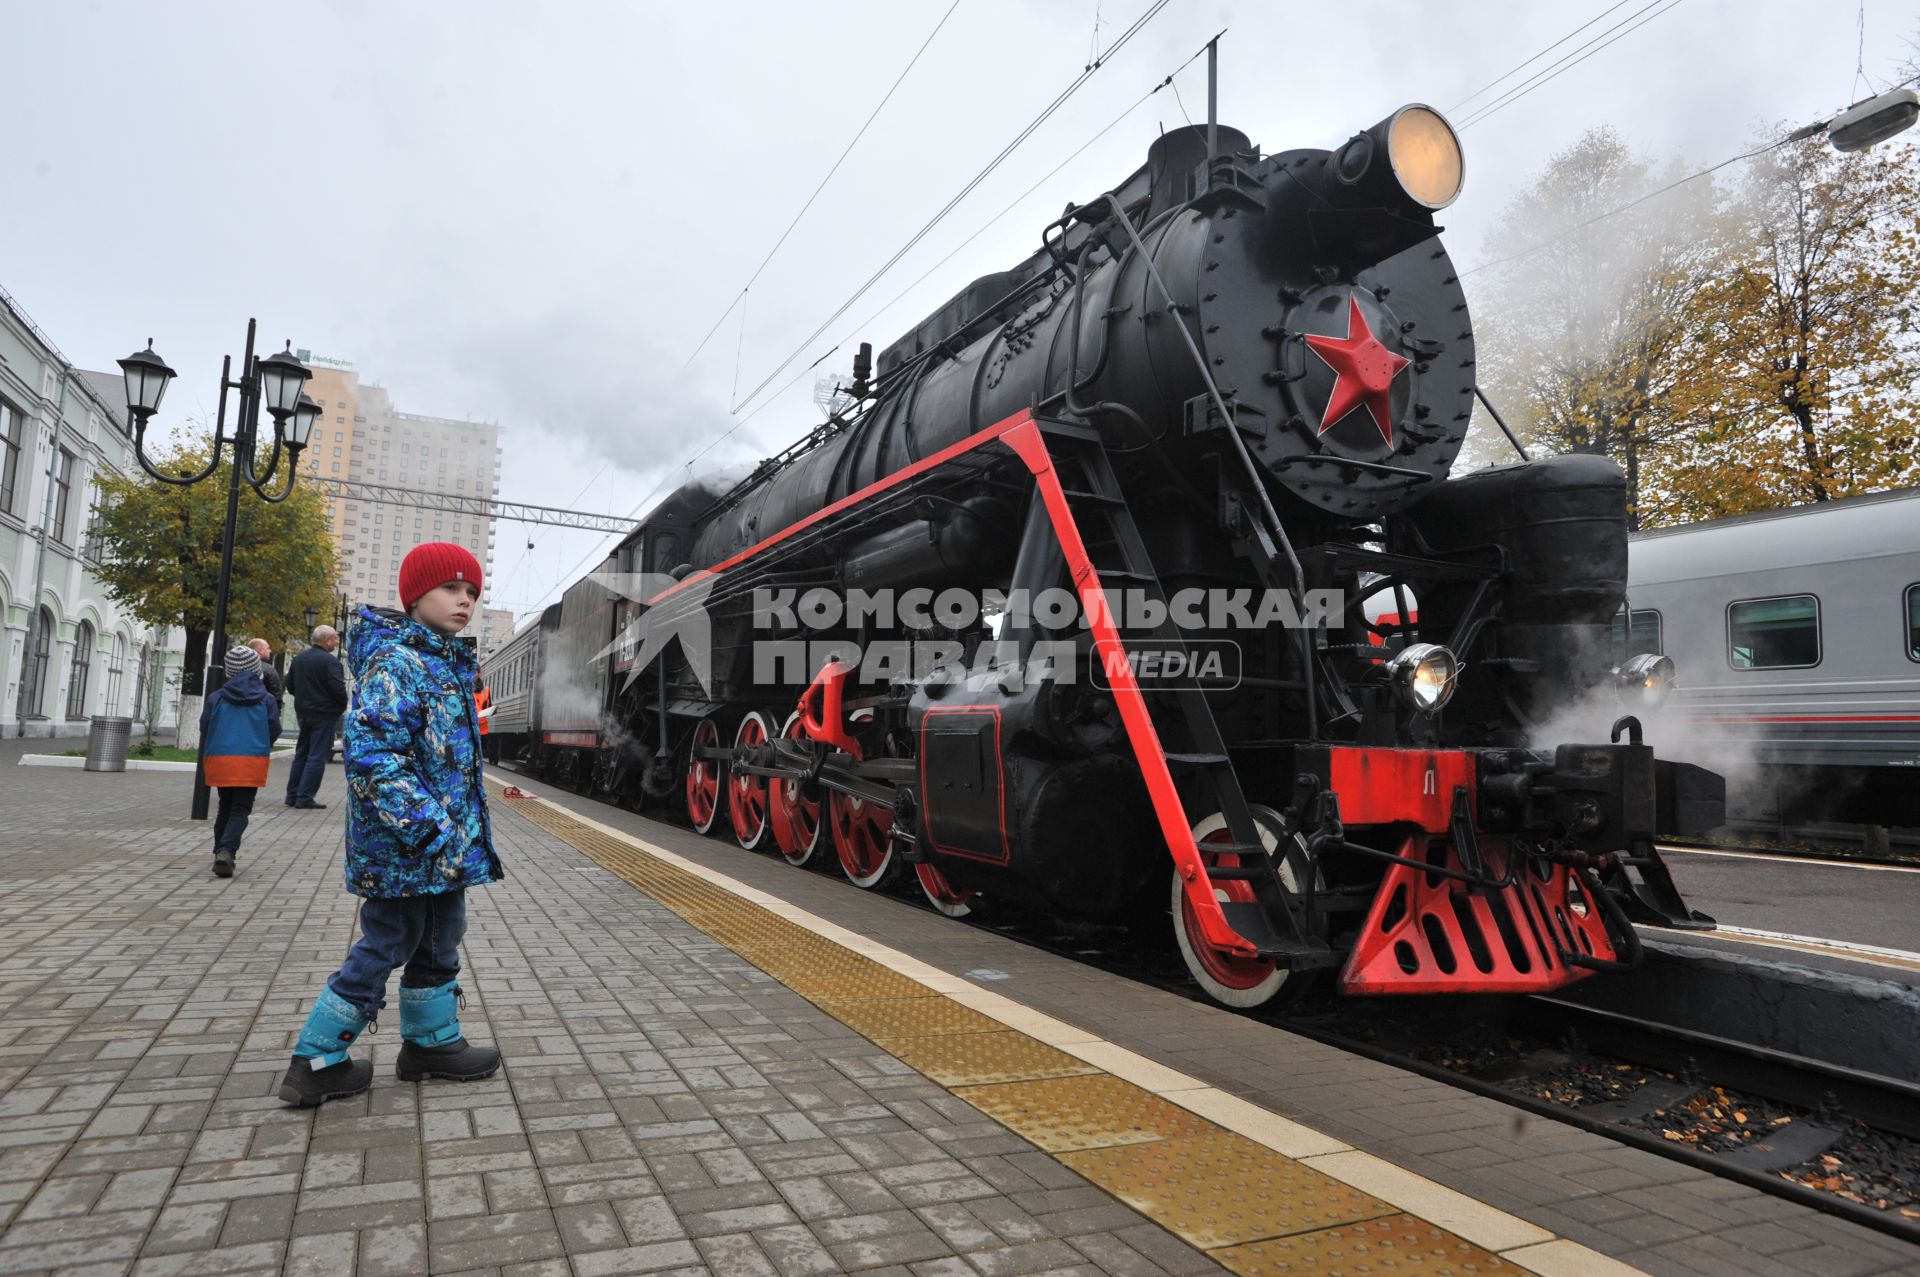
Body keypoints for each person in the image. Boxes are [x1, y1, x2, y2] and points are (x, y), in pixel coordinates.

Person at [279, 542, 503, 1107]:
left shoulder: (443, 664)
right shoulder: (398, 664)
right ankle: (316, 1059)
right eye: (452, 588)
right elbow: (374, 757)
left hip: (439, 849)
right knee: (387, 942)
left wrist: (449, 837)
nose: (465, 601)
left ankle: (431, 1044)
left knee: (440, 937)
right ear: (415, 595)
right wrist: (429, 829)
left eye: (472, 592)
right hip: (406, 847)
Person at [201, 643, 281, 879]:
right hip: (251, 759)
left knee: (224, 806)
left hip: (221, 759)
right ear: (256, 669)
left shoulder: (217, 698)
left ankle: (220, 852)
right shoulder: (265, 699)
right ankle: (227, 850)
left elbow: (205, 725)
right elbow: (273, 728)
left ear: (229, 671)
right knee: (240, 809)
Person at [285, 625, 348, 808]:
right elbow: (338, 689)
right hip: (324, 715)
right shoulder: (330, 662)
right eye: (335, 639)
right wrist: (340, 706)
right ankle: (304, 797)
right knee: (317, 756)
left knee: (301, 754)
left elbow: (290, 686)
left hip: (303, 713)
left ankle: (292, 795)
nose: (336, 642)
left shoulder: (299, 659)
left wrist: (304, 699)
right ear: (327, 640)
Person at [249, 637, 286, 737]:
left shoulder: (240, 668)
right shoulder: (269, 670)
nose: (270, 651)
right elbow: (276, 695)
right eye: (268, 648)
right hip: (263, 715)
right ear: (261, 650)